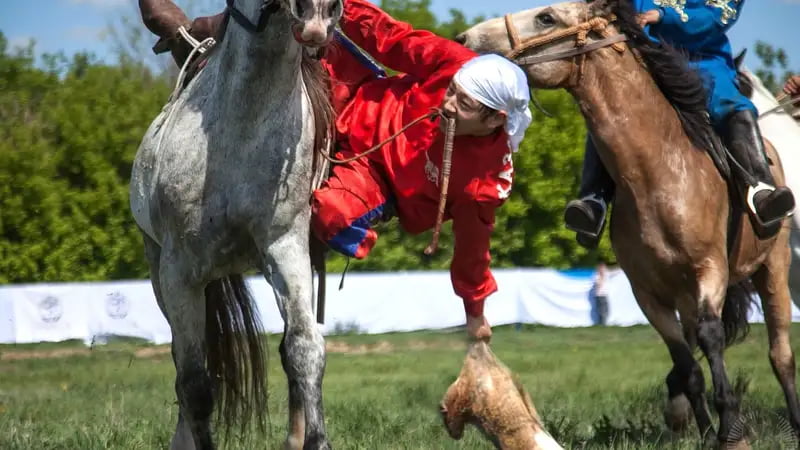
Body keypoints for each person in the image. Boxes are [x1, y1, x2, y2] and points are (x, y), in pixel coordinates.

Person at [137, 0, 533, 342]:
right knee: (291, 37)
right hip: (356, 94)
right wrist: (339, 5)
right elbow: (392, 39)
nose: (448, 105)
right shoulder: (457, 64)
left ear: (496, 120)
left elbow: (472, 250)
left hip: (375, 179)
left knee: (333, 217)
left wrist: (475, 308)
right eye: (451, 93)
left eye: (462, 106)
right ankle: (196, 41)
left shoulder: (484, 184)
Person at [564, 0, 795, 248]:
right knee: (610, 111)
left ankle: (760, 190)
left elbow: (718, 16)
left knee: (731, 104)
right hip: (643, 57)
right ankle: (593, 202)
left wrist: (663, 16)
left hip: (701, 60)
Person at [592, 261, 609, 326]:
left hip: (604, 294)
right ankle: (602, 323)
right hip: (599, 295)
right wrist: (602, 276)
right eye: (602, 268)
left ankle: (603, 323)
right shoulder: (596, 276)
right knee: (601, 310)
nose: (604, 270)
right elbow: (599, 284)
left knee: (606, 310)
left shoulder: (605, 274)